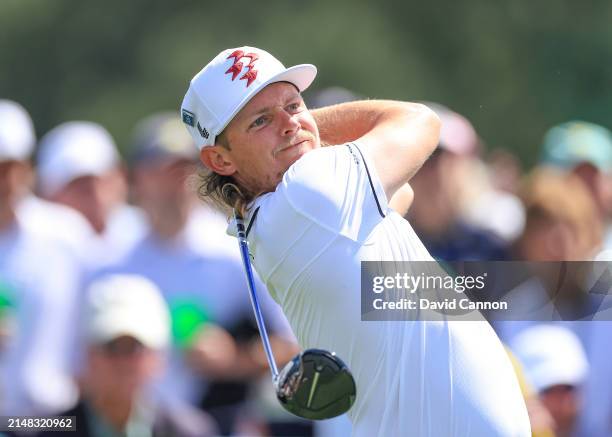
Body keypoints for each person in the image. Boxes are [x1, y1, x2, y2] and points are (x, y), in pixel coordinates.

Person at [179, 46, 530, 436]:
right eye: (261, 120)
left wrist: (293, 127)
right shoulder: (309, 189)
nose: (290, 123)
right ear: (221, 160)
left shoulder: (272, 217)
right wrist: (309, 124)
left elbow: (402, 196)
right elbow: (422, 121)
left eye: (293, 105)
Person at [34, 274, 218, 437]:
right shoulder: (45, 431)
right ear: (88, 355)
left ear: (158, 358)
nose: (122, 362)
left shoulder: (192, 431)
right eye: (111, 346)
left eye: (135, 348)